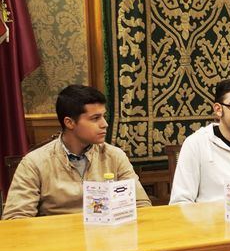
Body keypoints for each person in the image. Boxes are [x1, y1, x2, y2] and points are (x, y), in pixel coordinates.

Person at [2, 85, 151, 219]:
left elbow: (142, 206)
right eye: (95, 118)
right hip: (58, 244)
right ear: (69, 122)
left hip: (107, 240)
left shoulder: (115, 156)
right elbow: (16, 219)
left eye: (103, 116)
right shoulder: (35, 162)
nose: (104, 124)